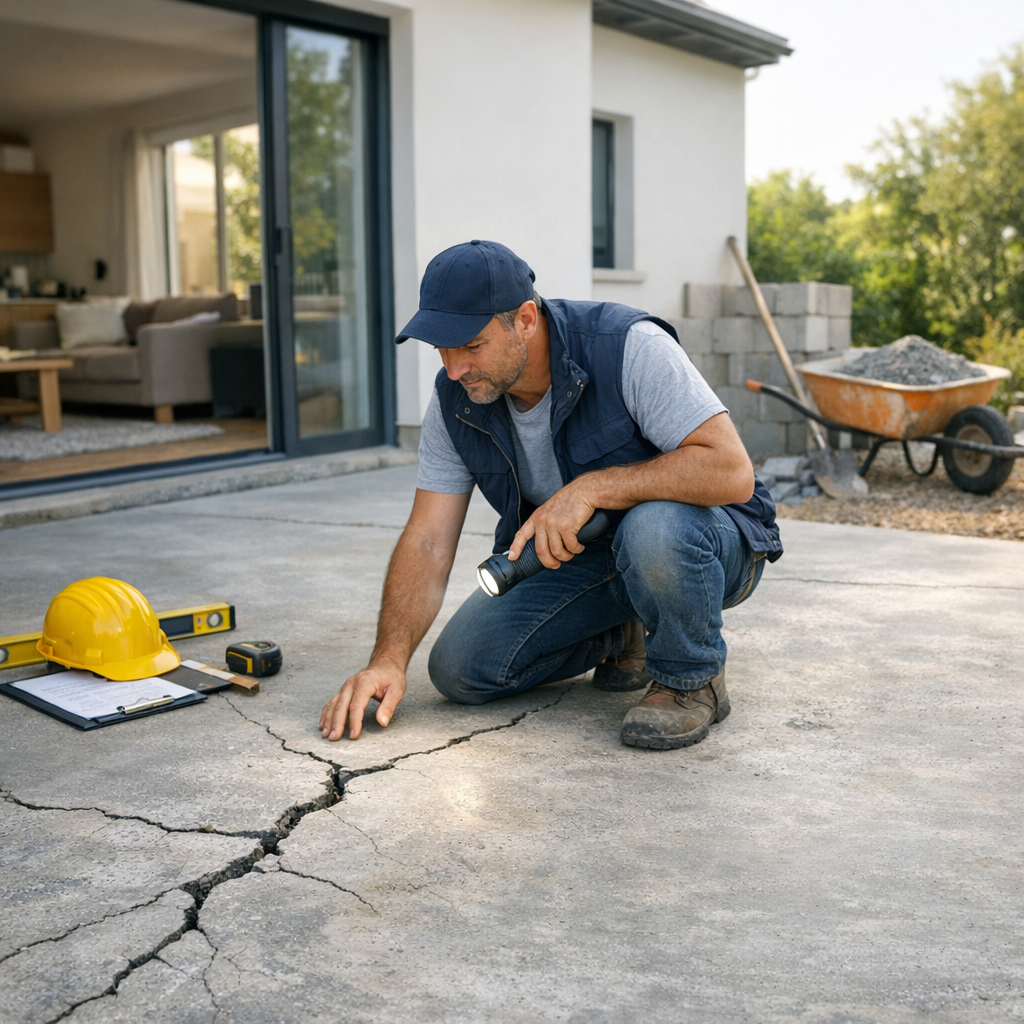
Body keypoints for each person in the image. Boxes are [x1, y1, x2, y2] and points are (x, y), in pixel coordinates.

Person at [320, 240, 782, 749]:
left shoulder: (627, 345)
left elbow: (731, 471)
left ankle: (691, 678)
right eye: (442, 349)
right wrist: (387, 660)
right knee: (461, 669)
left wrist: (594, 487)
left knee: (653, 527)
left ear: (524, 319)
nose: (454, 369)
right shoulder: (455, 398)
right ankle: (621, 630)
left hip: (705, 544)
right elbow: (428, 538)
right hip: (590, 557)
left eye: (471, 346)